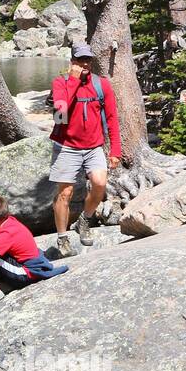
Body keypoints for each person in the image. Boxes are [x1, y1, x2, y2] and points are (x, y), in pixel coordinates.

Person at [50, 42, 121, 258]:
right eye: (80, 60)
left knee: (99, 183)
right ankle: (62, 237)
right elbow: (60, 114)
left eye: (88, 60)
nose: (85, 64)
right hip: (66, 146)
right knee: (65, 193)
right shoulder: (60, 83)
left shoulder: (102, 85)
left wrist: (115, 150)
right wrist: (72, 81)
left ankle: (84, 219)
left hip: (93, 146)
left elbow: (111, 118)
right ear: (72, 61)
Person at [0, 194, 67, 312]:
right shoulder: (8, 221)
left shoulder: (7, 233)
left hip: (27, 272)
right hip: (23, 265)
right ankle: (0, 283)